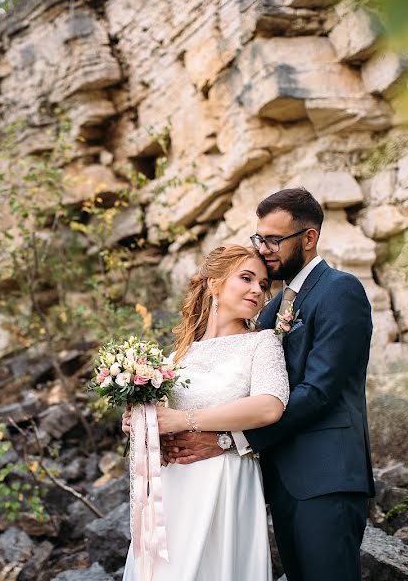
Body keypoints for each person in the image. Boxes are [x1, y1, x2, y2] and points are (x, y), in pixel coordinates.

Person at [162, 188, 374, 581]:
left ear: (309, 238)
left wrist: (230, 439)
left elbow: (320, 391)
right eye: (259, 238)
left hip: (327, 474)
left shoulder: (340, 290)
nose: (264, 248)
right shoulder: (271, 309)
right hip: (275, 478)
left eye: (274, 240)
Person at [121, 244, 290, 581]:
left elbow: (270, 406)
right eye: (246, 278)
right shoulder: (179, 356)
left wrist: (185, 421)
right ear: (214, 283)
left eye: (263, 284)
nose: (257, 290)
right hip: (175, 486)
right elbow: (160, 418)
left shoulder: (262, 342)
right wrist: (139, 422)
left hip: (225, 480)